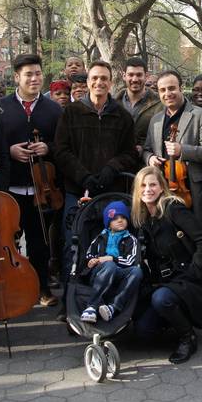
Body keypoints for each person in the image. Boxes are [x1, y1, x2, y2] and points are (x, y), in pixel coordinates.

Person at [54, 60, 139, 315]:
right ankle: (69, 303)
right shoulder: (71, 112)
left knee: (106, 249)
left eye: (104, 78)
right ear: (87, 81)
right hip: (77, 191)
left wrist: (110, 168)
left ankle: (101, 301)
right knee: (74, 246)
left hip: (109, 194)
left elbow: (129, 153)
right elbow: (61, 150)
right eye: (94, 78)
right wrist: (83, 176)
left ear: (111, 82)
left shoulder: (122, 116)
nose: (99, 83)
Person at [0, 54, 64, 307]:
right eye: (29, 74)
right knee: (8, 243)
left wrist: (48, 148)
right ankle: (12, 287)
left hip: (42, 189)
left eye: (38, 73)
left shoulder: (53, 109)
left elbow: (62, 145)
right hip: (11, 186)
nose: (35, 78)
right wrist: (10, 151)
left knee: (39, 243)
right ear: (17, 77)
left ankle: (42, 287)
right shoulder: (1, 108)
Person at [131, 166, 202, 365]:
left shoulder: (173, 209)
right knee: (144, 331)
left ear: (161, 188)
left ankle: (188, 337)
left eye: (152, 184)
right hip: (166, 282)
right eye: (143, 185)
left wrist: (196, 271)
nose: (147, 189)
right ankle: (174, 319)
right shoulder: (143, 219)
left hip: (189, 280)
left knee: (161, 299)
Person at [142, 70, 202, 224]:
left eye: (172, 88)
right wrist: (150, 158)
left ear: (181, 88)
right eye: (162, 90)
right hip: (162, 187)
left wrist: (183, 150)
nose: (167, 93)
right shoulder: (155, 119)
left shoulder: (200, 115)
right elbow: (146, 149)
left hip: (190, 189)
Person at [81, 201, 142, 323]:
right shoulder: (100, 238)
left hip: (120, 273)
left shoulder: (131, 239)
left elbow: (132, 260)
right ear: (108, 224)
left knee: (137, 271)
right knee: (109, 266)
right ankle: (91, 306)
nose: (120, 220)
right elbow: (89, 254)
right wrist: (91, 260)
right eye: (115, 219)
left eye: (123, 218)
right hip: (100, 273)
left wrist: (112, 258)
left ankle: (113, 307)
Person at [117, 57, 163, 151]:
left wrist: (143, 149)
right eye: (131, 75)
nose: (134, 79)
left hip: (147, 160)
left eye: (139, 75)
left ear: (146, 76)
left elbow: (162, 136)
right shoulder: (113, 103)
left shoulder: (160, 104)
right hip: (118, 160)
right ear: (124, 76)